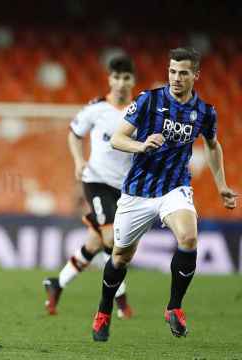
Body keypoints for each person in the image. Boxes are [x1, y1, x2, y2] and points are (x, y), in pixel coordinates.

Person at [92, 48, 237, 341]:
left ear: (195, 75)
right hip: (138, 191)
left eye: (183, 73)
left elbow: (212, 144)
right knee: (120, 256)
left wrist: (221, 184)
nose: (176, 78)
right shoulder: (149, 100)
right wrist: (141, 144)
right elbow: (118, 139)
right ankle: (104, 310)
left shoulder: (205, 112)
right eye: (172, 71)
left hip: (175, 187)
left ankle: (174, 308)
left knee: (189, 237)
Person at [43, 56, 136, 319]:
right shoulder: (96, 108)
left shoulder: (139, 110)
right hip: (96, 181)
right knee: (110, 239)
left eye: (126, 77)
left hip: (125, 188)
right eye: (116, 77)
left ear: (132, 80)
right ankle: (121, 301)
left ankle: (56, 284)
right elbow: (74, 133)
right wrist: (78, 160)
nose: (120, 83)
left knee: (95, 242)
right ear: (109, 79)